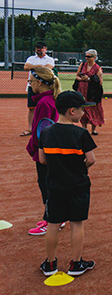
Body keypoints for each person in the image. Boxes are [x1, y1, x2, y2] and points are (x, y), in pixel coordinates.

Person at [38, 91, 97, 277]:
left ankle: (49, 263)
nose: (84, 113)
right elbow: (91, 159)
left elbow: (42, 159)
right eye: (82, 110)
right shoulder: (81, 133)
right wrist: (81, 167)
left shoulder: (46, 132)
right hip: (78, 185)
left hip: (54, 186)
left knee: (53, 224)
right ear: (72, 111)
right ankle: (76, 263)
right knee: (77, 223)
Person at [26, 67, 62, 236]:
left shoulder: (44, 103)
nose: (30, 84)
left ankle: (51, 220)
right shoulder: (50, 100)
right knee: (49, 184)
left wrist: (33, 148)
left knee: (46, 185)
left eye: (31, 81)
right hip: (51, 151)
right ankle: (53, 217)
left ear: (39, 83)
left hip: (46, 152)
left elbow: (41, 132)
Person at [21, 41, 55, 136]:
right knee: (31, 108)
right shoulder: (31, 58)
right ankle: (30, 129)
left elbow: (48, 68)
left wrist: (33, 67)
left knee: (45, 107)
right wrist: (40, 66)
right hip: (32, 86)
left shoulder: (50, 59)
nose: (38, 49)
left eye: (41, 48)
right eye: (37, 48)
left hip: (44, 87)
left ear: (45, 49)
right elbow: (26, 67)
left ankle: (46, 128)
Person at [74, 49, 104, 135]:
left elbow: (100, 82)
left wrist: (89, 79)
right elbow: (77, 76)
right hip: (82, 91)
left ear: (94, 57)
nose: (86, 58)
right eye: (86, 56)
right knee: (83, 109)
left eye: (89, 56)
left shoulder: (97, 68)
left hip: (92, 93)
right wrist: (82, 79)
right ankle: (84, 128)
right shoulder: (82, 65)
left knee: (93, 109)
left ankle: (94, 129)